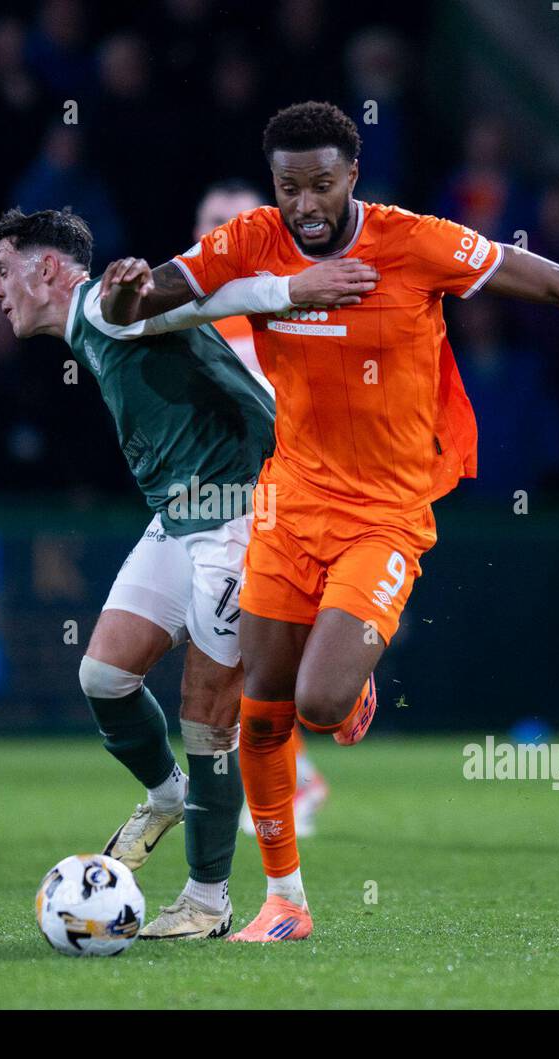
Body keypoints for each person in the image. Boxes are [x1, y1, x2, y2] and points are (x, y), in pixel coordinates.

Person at [101, 100, 559, 942]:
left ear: (352, 176)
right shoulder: (251, 239)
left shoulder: (414, 242)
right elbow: (150, 301)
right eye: (289, 188)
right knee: (264, 705)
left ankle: (351, 685)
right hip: (288, 503)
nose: (305, 204)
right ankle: (286, 902)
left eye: (322, 184)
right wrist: (129, 288)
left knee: (318, 701)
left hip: (385, 513)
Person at [0, 206, 363, 939]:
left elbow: (212, 296)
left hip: (238, 516)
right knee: (103, 677)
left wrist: (293, 290)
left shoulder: (107, 306)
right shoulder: (94, 330)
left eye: (4, 271)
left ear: (50, 269)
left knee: (207, 719)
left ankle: (207, 899)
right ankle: (165, 796)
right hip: (182, 514)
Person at [193, 178, 330, 837]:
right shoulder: (190, 312)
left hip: (298, 494)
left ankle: (294, 779)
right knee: (247, 645)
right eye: (212, 221)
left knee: (266, 643)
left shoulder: (292, 302)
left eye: (235, 220)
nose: (221, 232)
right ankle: (295, 778)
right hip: (227, 497)